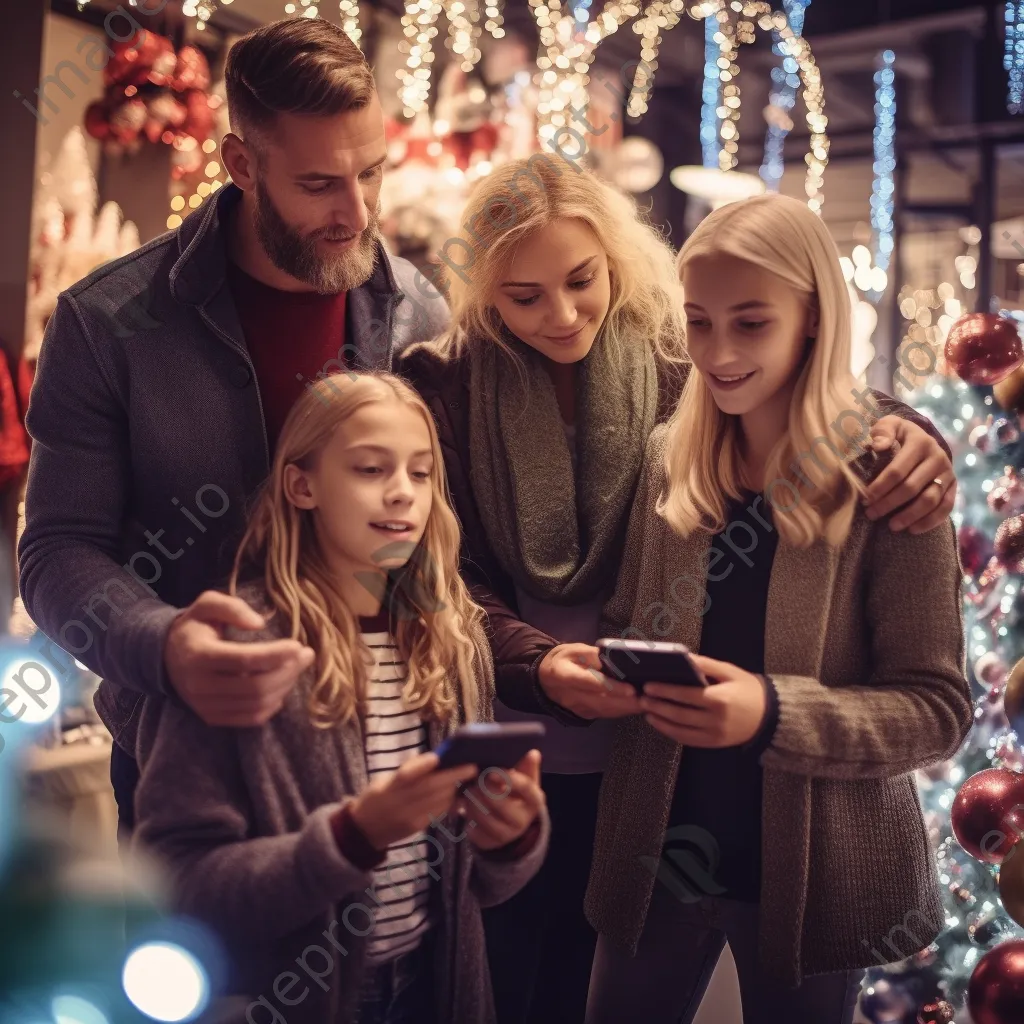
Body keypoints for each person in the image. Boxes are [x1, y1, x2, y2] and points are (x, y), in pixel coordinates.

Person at [398, 158, 959, 1024]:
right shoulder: (666, 457)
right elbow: (466, 579)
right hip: (612, 817)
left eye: (582, 281)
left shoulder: (851, 470)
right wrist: (563, 665)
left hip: (784, 854)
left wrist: (912, 433)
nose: (562, 314)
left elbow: (931, 706)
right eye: (523, 295)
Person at [18, 18, 448, 840]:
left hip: (376, 755)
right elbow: (58, 549)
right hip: (185, 760)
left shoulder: (418, 312)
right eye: (321, 183)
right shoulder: (108, 323)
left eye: (372, 173)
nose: (356, 213)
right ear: (243, 164)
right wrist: (164, 643)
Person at [582, 193, 972, 1024]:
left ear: (813, 321)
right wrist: (611, 673)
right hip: (657, 867)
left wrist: (770, 713)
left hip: (808, 878)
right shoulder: (668, 458)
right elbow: (632, 620)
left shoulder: (883, 475)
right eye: (698, 321)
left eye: (751, 323)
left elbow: (936, 710)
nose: (717, 353)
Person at [132, 371, 549, 1024]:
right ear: (302, 486)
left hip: (435, 989)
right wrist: (353, 837)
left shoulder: (454, 637)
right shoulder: (239, 649)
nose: (402, 494)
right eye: (369, 469)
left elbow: (478, 890)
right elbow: (179, 886)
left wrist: (509, 841)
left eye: (420, 472)